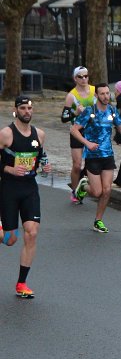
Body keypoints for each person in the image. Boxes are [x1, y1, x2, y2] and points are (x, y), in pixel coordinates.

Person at [0, 96, 52, 298]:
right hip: (9, 189)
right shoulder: (6, 134)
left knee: (32, 232)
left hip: (30, 188)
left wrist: (45, 166)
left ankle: (22, 283)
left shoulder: (40, 134)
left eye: (29, 108)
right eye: (23, 108)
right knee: (11, 239)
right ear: (16, 110)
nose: (27, 112)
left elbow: (40, 157)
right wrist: (9, 169)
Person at [70, 83, 121, 233]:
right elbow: (74, 130)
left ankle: (98, 221)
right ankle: (83, 186)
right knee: (97, 192)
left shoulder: (112, 110)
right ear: (96, 95)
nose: (106, 96)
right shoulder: (90, 111)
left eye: (107, 93)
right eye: (102, 94)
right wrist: (87, 143)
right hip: (92, 156)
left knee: (107, 190)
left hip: (108, 155)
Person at [61, 66, 95, 204]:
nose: (84, 79)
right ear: (75, 78)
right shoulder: (71, 96)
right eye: (80, 77)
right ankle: (74, 192)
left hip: (93, 131)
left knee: (91, 163)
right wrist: (75, 113)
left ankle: (84, 186)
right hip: (77, 131)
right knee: (77, 164)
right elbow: (64, 118)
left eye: (86, 76)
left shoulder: (95, 91)